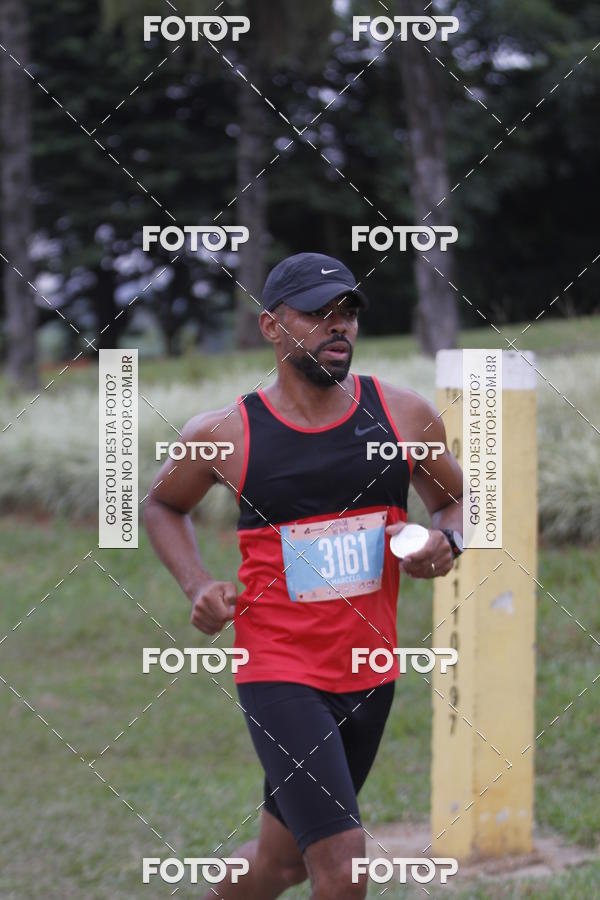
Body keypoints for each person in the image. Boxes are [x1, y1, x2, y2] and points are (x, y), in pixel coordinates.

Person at [144, 252, 464, 899]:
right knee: (343, 871)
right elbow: (162, 503)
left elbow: (457, 500)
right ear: (270, 327)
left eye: (345, 311)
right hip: (280, 670)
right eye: (317, 314)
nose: (336, 325)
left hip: (372, 673)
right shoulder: (227, 433)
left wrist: (448, 540)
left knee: (280, 864)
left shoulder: (403, 416)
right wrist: (197, 587)